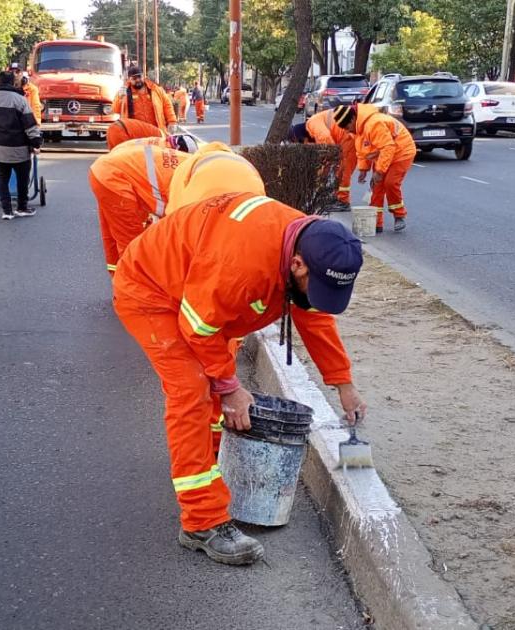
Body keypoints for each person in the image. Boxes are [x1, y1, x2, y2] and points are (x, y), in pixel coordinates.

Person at [113, 192, 368, 565]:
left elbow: (311, 313)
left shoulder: (310, 242)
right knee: (193, 389)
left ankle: (208, 459)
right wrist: (230, 389)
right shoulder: (242, 264)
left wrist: (344, 383)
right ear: (297, 264)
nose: (317, 297)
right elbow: (198, 329)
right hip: (152, 293)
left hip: (200, 297)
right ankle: (201, 522)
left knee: (217, 378)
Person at [88, 141, 188, 274]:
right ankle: (132, 287)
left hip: (109, 170)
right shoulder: (195, 183)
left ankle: (120, 281)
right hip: (114, 177)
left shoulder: (188, 163)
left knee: (116, 237)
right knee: (133, 246)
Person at [334, 103, 415, 233]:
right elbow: (363, 152)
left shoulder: (374, 124)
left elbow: (388, 147)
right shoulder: (358, 130)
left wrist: (380, 171)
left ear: (353, 119)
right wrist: (363, 170)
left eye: (347, 126)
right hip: (383, 155)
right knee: (377, 188)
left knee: (390, 183)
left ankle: (399, 215)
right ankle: (376, 223)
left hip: (402, 152)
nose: (347, 131)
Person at [0, 70, 43, 220]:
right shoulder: (19, 99)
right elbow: (29, 124)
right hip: (19, 148)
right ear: (12, 82)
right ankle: (22, 207)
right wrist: (36, 142)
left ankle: (7, 211)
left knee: (1, 178)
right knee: (22, 178)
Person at [285, 106, 358, 209]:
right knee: (340, 169)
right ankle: (339, 198)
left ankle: (343, 201)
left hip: (347, 137)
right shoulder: (312, 130)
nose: (306, 146)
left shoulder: (312, 124)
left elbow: (328, 145)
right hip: (345, 136)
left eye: (303, 144)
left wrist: (322, 174)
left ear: (302, 138)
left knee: (343, 170)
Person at [165, 143, 264, 212]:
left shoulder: (185, 167)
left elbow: (175, 214)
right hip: (253, 199)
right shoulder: (237, 160)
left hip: (208, 203)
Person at [113, 66, 177, 133]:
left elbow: (167, 106)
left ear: (143, 76)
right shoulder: (124, 92)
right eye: (134, 78)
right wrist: (119, 98)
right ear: (129, 79)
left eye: (139, 77)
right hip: (135, 134)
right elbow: (115, 110)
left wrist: (172, 121)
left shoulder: (156, 89)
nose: (137, 80)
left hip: (156, 131)